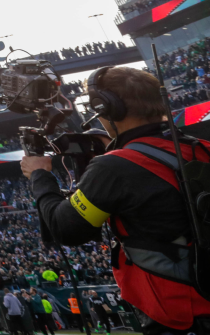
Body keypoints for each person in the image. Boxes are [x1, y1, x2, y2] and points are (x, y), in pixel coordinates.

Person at [22, 66, 210, 334]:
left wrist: (39, 175)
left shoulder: (115, 167)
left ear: (106, 108)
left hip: (180, 316)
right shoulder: (202, 148)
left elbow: (66, 229)